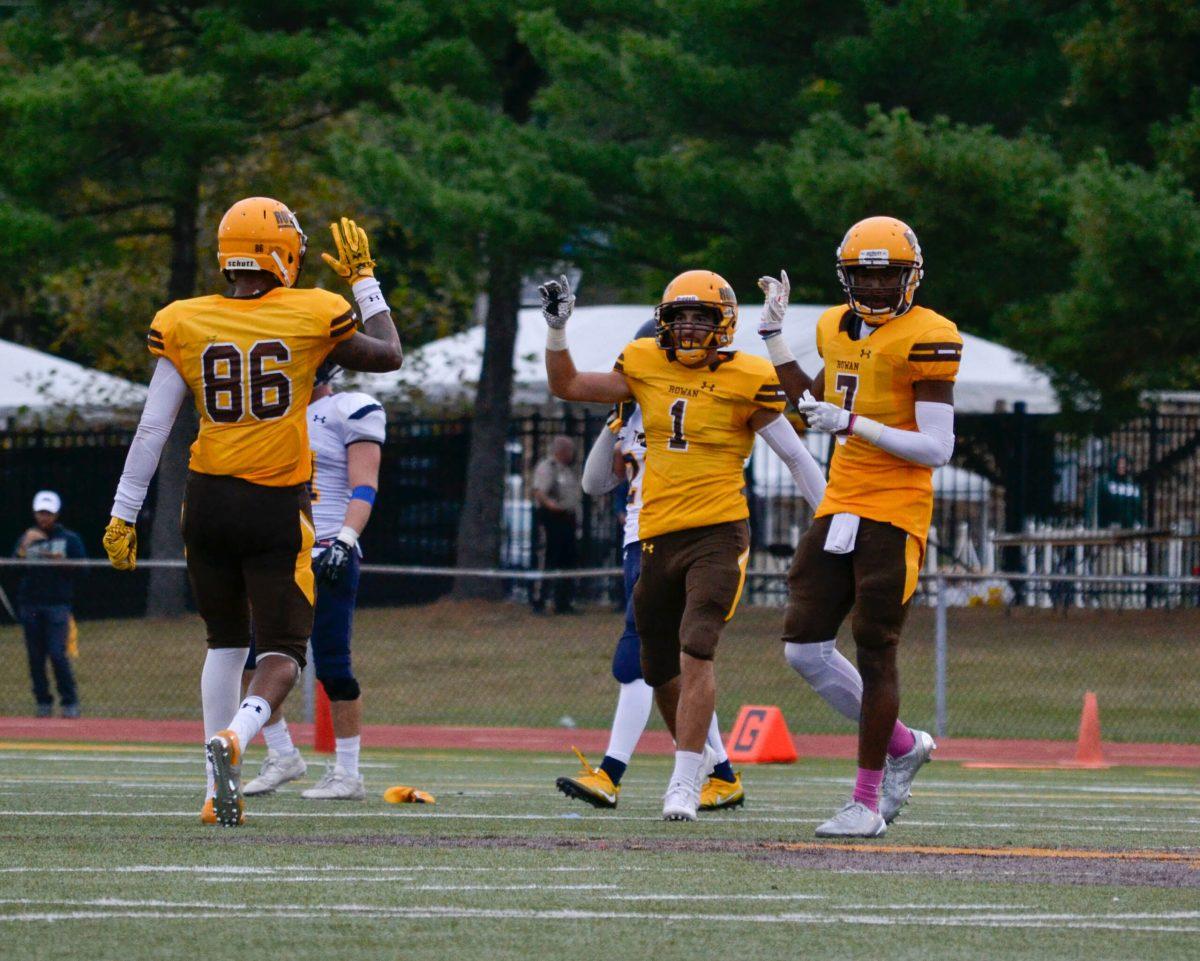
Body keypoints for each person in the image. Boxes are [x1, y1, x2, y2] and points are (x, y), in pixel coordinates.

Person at [102, 198, 402, 827]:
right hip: (272, 503)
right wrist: (365, 282)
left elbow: (153, 427)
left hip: (206, 500)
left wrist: (123, 512)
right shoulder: (313, 309)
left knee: (224, 641)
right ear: (282, 252)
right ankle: (236, 739)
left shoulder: (185, 319)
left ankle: (214, 789)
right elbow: (389, 353)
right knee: (285, 651)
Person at [543, 270, 826, 821]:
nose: (691, 327)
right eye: (681, 317)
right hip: (655, 535)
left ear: (724, 324)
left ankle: (681, 782)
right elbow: (569, 385)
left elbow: (794, 455)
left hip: (719, 532)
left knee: (696, 645)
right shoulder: (643, 362)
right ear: (664, 322)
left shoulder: (747, 373)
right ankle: (713, 774)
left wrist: (834, 519)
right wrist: (557, 331)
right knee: (657, 665)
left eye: (702, 316)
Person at [757, 216, 958, 837]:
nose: (873, 288)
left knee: (876, 650)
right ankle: (903, 745)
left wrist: (852, 426)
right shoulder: (831, 325)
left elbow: (936, 447)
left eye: (886, 275)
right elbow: (819, 401)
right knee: (803, 648)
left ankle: (866, 803)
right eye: (863, 276)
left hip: (894, 510)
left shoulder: (930, 334)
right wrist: (774, 341)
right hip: (841, 502)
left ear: (911, 277)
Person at [241, 361, 386, 801]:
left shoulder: (349, 408)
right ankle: (283, 755)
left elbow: (365, 485)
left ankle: (348, 772)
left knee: (333, 665)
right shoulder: (271, 417)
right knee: (253, 661)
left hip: (328, 549)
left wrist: (345, 539)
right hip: (282, 554)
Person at [13, 491, 85, 718]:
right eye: (41, 513)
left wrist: (60, 561)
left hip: (57, 605)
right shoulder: (28, 537)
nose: (44, 517)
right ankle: (43, 701)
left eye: (49, 513)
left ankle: (69, 701)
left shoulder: (69, 539)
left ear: (56, 514)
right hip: (31, 604)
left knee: (57, 654)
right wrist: (24, 547)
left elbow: (84, 569)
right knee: (35, 657)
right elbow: (14, 568)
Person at [530, 435, 581, 614]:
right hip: (551, 518)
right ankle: (539, 600)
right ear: (562, 451)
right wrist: (552, 506)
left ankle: (563, 602)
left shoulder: (567, 470)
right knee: (549, 559)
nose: (572, 455)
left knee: (568, 560)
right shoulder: (547, 467)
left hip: (567, 519)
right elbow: (539, 491)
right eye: (570, 451)